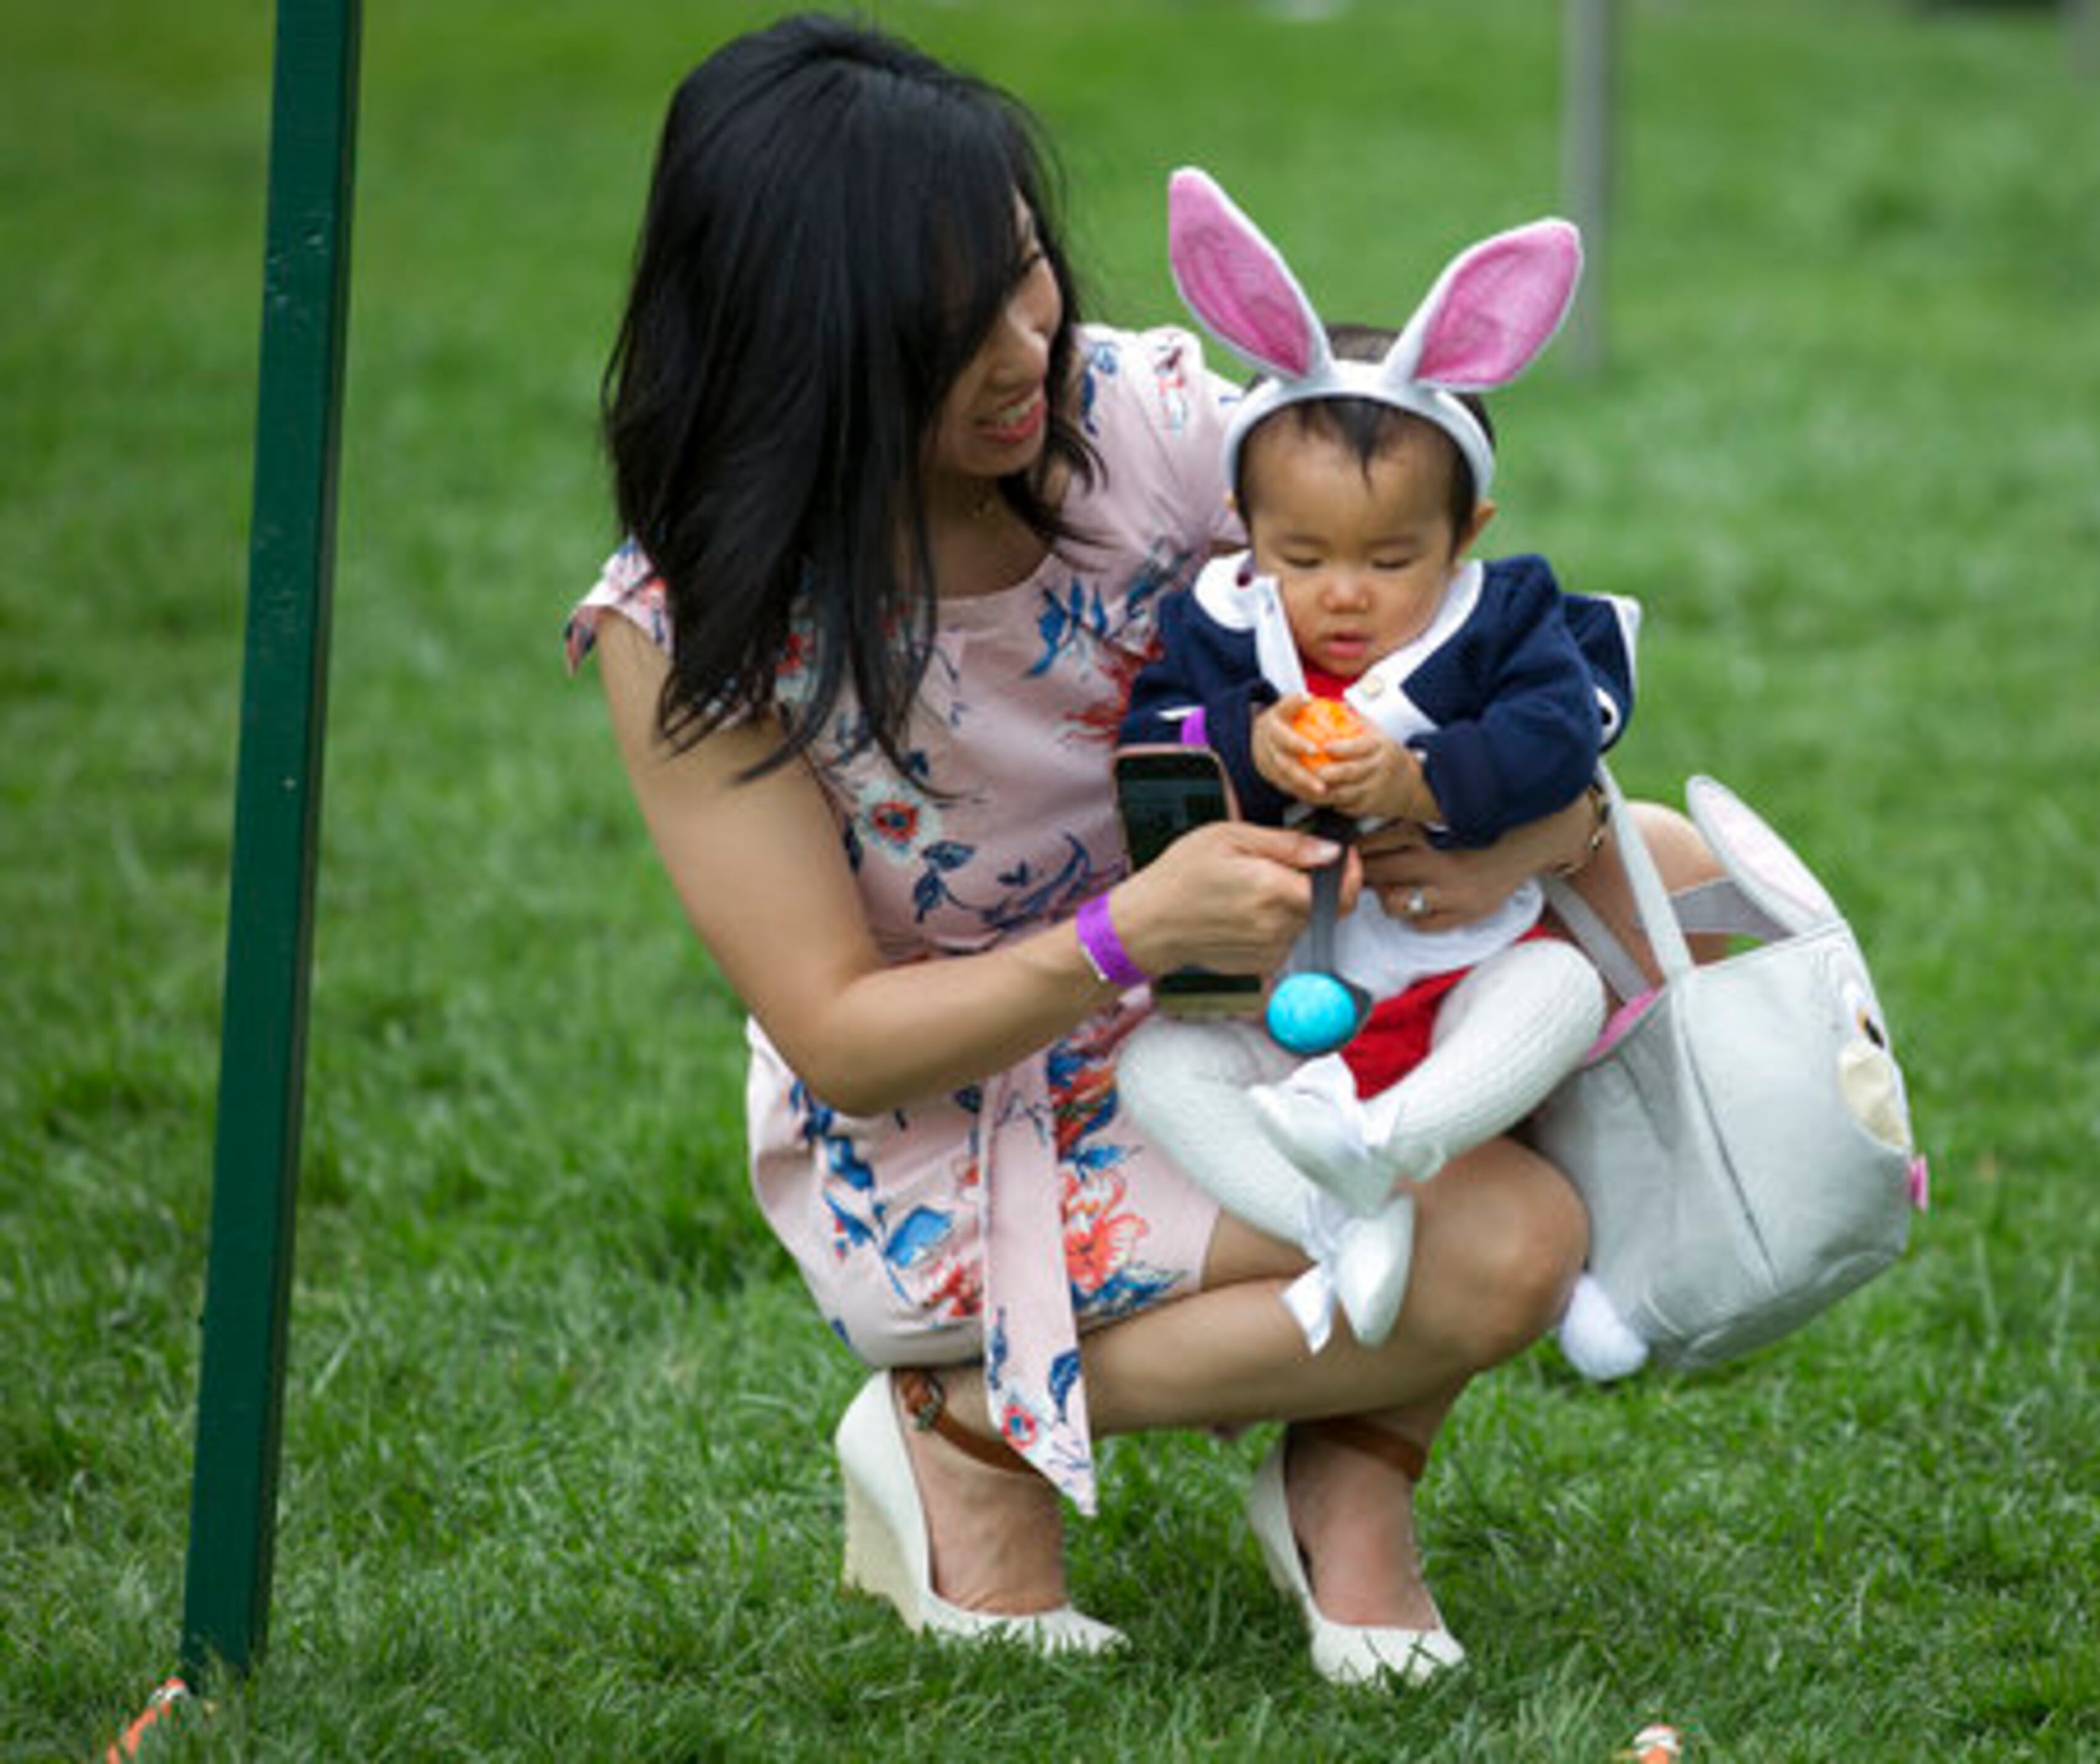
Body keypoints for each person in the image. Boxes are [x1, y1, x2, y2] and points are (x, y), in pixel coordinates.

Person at [569, 13, 1711, 1686]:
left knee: (1662, 872)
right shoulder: (695, 621)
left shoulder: (1140, 417)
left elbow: (1443, 617)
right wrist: (1125, 933)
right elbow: (837, 1029)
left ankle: (1345, 1471)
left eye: (1029, 270)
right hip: (966, 1111)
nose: (1028, 340)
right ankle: (966, 1422)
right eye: (954, 324)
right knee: (1503, 1243)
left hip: (1255, 989)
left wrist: (1515, 820)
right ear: (811, 345)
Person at [1117, 174, 1630, 1356]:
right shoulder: (1219, 631)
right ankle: (1328, 1214)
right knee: (1158, 1068)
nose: (1344, 592)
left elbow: (1561, 730)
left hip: (1450, 977)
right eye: (1301, 553)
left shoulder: (1499, 619)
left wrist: (1423, 782)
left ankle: (1392, 1147)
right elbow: (1148, 749)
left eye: (1392, 557)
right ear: (1245, 527)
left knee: (1558, 995)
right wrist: (1242, 738)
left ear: (1469, 536)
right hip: (1281, 996)